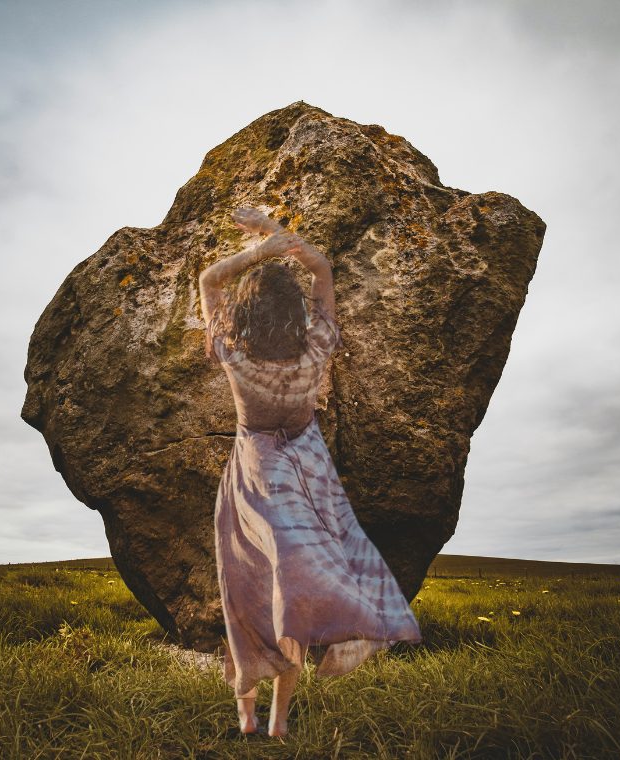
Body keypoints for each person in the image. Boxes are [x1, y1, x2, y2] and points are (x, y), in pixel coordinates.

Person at [198, 207, 423, 739]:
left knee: (249, 594)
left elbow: (209, 279)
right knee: (295, 595)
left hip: (256, 477)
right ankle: (278, 722)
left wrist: (261, 248)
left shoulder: (230, 349)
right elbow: (322, 273)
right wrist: (286, 244)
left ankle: (249, 719)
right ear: (298, 311)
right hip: (310, 470)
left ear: (243, 313)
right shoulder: (317, 346)